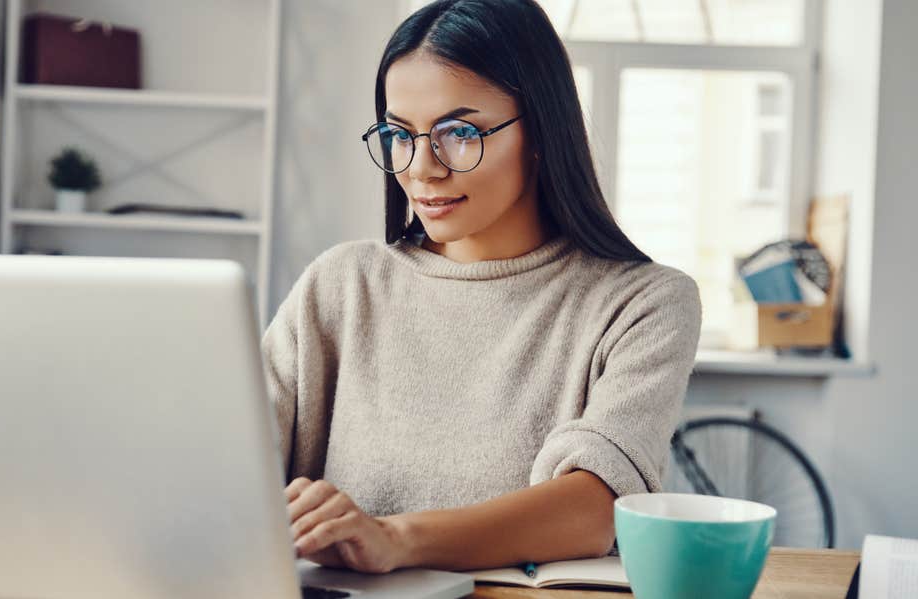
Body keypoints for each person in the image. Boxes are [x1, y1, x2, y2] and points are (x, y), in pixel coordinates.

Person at [261, 0, 702, 575]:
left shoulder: (643, 304)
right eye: (399, 134)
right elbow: (231, 457)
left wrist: (394, 538)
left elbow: (594, 508)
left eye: (458, 132)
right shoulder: (339, 286)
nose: (422, 167)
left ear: (541, 130)